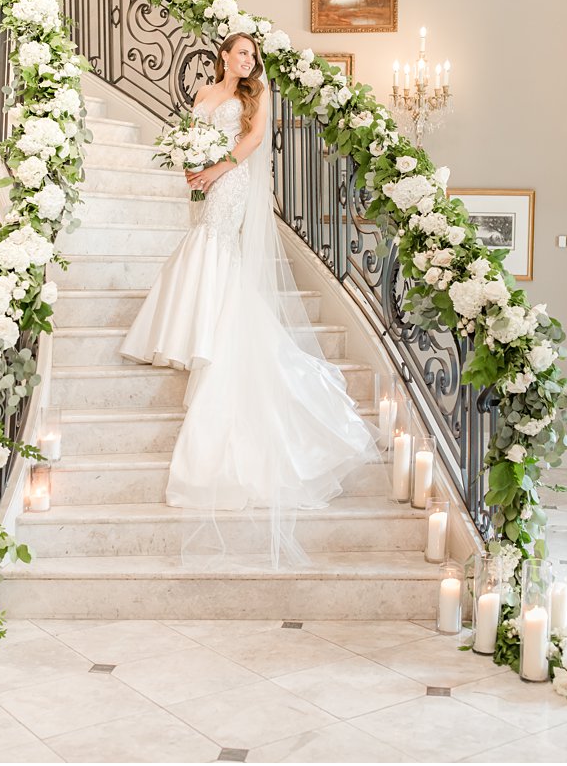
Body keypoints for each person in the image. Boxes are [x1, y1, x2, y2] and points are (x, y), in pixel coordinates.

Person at [118, 33, 379, 567]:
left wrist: (217, 169)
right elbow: (192, 137)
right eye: (241, 54)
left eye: (252, 57)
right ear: (224, 57)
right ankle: (187, 325)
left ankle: (209, 325)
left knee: (216, 240)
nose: (248, 61)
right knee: (201, 238)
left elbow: (255, 140)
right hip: (204, 179)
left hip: (231, 181)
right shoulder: (204, 94)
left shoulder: (255, 98)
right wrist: (192, 168)